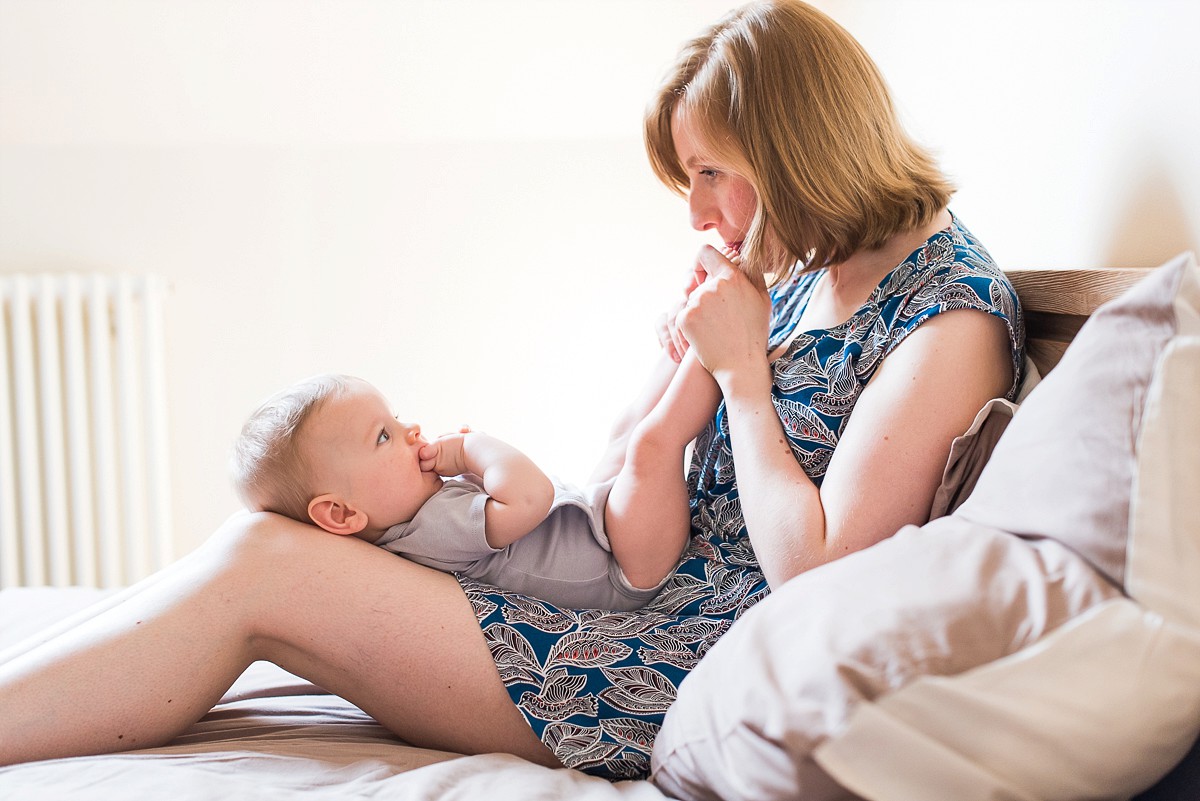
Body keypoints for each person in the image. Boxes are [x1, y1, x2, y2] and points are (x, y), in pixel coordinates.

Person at [0, 0, 1023, 781]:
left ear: (797, 149)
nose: (701, 211)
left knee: (267, 567)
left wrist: (744, 381)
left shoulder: (950, 317)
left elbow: (819, 576)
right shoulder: (802, 270)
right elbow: (638, 461)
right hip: (635, 592)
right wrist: (684, 355)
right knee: (258, 544)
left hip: (671, 668)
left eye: (713, 174)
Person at [230, 369, 719, 611]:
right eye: (384, 435)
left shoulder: (417, 523)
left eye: (396, 418)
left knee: (626, 430)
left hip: (603, 528)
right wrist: (472, 451)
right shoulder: (429, 531)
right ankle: (711, 351)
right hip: (625, 566)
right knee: (652, 444)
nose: (412, 429)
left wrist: (471, 472)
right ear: (340, 513)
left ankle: (679, 340)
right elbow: (532, 497)